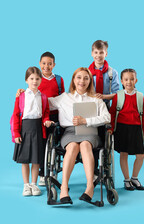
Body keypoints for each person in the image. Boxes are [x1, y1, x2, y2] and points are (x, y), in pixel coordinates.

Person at [48, 67, 111, 204]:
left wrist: (86, 121)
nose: (82, 81)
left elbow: (107, 117)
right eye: (79, 77)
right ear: (73, 80)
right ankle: (64, 187)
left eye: (86, 78)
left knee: (85, 145)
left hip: (89, 131)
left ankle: (90, 186)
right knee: (71, 147)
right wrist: (26, 94)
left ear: (89, 81)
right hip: (70, 131)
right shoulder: (64, 97)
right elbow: (44, 102)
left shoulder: (96, 99)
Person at [17, 51, 65, 186]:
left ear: (54, 65)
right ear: (39, 64)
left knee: (54, 144)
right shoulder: (36, 79)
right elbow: (29, 93)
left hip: (54, 116)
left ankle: (52, 169)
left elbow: (63, 97)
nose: (46, 66)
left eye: (50, 64)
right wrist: (21, 91)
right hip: (39, 117)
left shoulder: (58, 79)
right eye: (44, 63)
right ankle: (42, 174)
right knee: (42, 145)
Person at [12, 67, 53, 196]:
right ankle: (26, 185)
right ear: (26, 80)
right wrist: (16, 134)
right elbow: (15, 115)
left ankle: (34, 184)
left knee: (36, 159)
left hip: (38, 129)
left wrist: (46, 120)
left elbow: (45, 113)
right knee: (25, 160)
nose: (34, 81)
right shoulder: (21, 96)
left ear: (41, 80)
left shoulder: (44, 97)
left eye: (37, 79)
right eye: (31, 78)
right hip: (25, 128)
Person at [108, 68, 144, 191]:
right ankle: (126, 180)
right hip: (121, 128)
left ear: (136, 80)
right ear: (121, 81)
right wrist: (111, 128)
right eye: (126, 79)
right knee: (123, 154)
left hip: (136, 128)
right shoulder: (118, 96)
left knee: (140, 155)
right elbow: (113, 113)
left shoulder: (140, 96)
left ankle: (134, 178)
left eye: (131, 79)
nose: (129, 82)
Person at [88, 40, 119, 109]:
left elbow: (117, 94)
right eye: (96, 52)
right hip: (89, 105)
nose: (98, 55)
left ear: (106, 54)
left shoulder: (112, 72)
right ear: (92, 53)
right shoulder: (87, 72)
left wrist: (103, 96)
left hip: (106, 106)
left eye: (101, 52)